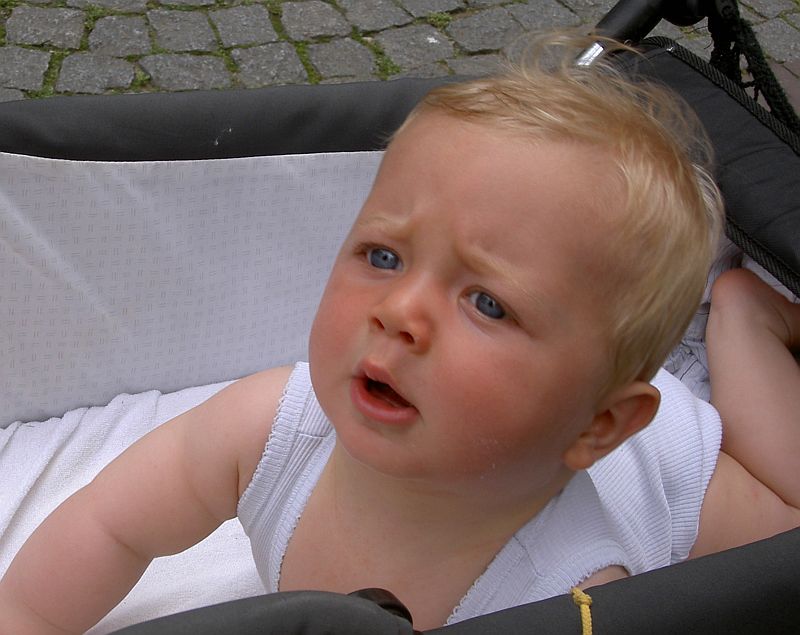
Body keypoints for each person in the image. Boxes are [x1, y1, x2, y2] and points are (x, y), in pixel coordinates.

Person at [1, 32, 798, 633]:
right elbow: (110, 523)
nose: (399, 312)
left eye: (486, 303)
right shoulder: (272, 427)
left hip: (681, 465)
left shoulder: (570, 588)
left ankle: (741, 317)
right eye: (384, 255)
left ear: (596, 425)